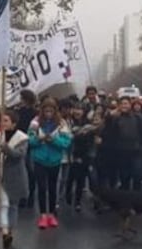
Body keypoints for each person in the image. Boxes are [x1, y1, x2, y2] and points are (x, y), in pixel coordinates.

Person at [28, 98, 72, 229]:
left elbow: (66, 142)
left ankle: (52, 214)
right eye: (46, 111)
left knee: (53, 188)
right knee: (41, 188)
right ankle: (43, 215)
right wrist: (38, 139)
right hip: (39, 159)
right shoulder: (35, 122)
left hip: (55, 160)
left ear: (55, 111)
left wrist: (54, 140)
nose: (48, 114)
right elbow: (29, 140)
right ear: (42, 110)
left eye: (51, 111)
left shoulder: (62, 124)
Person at [0, 109, 29, 249]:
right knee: (3, 204)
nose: (3, 123)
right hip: (0, 176)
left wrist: (6, 148)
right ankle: (4, 230)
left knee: (13, 205)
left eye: (6, 121)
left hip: (15, 176)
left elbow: (19, 155)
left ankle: (9, 230)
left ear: (13, 123)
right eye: (2, 121)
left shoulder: (22, 138)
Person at [109, 97, 142, 190]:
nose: (124, 106)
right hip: (122, 151)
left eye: (126, 103)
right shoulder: (116, 119)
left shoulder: (138, 118)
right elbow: (112, 136)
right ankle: (125, 195)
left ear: (130, 105)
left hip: (136, 151)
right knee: (124, 176)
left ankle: (137, 195)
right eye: (122, 104)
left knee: (137, 174)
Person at [66, 103, 95, 212]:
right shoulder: (68, 122)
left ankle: (77, 201)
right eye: (76, 109)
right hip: (69, 154)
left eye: (80, 109)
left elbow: (89, 142)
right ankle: (68, 196)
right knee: (69, 179)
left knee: (80, 179)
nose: (77, 111)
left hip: (82, 156)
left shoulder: (87, 125)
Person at [15, 90, 39, 208]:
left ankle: (27, 196)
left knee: (28, 171)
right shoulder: (20, 112)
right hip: (23, 142)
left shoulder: (33, 113)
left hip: (27, 143)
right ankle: (27, 196)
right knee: (27, 171)